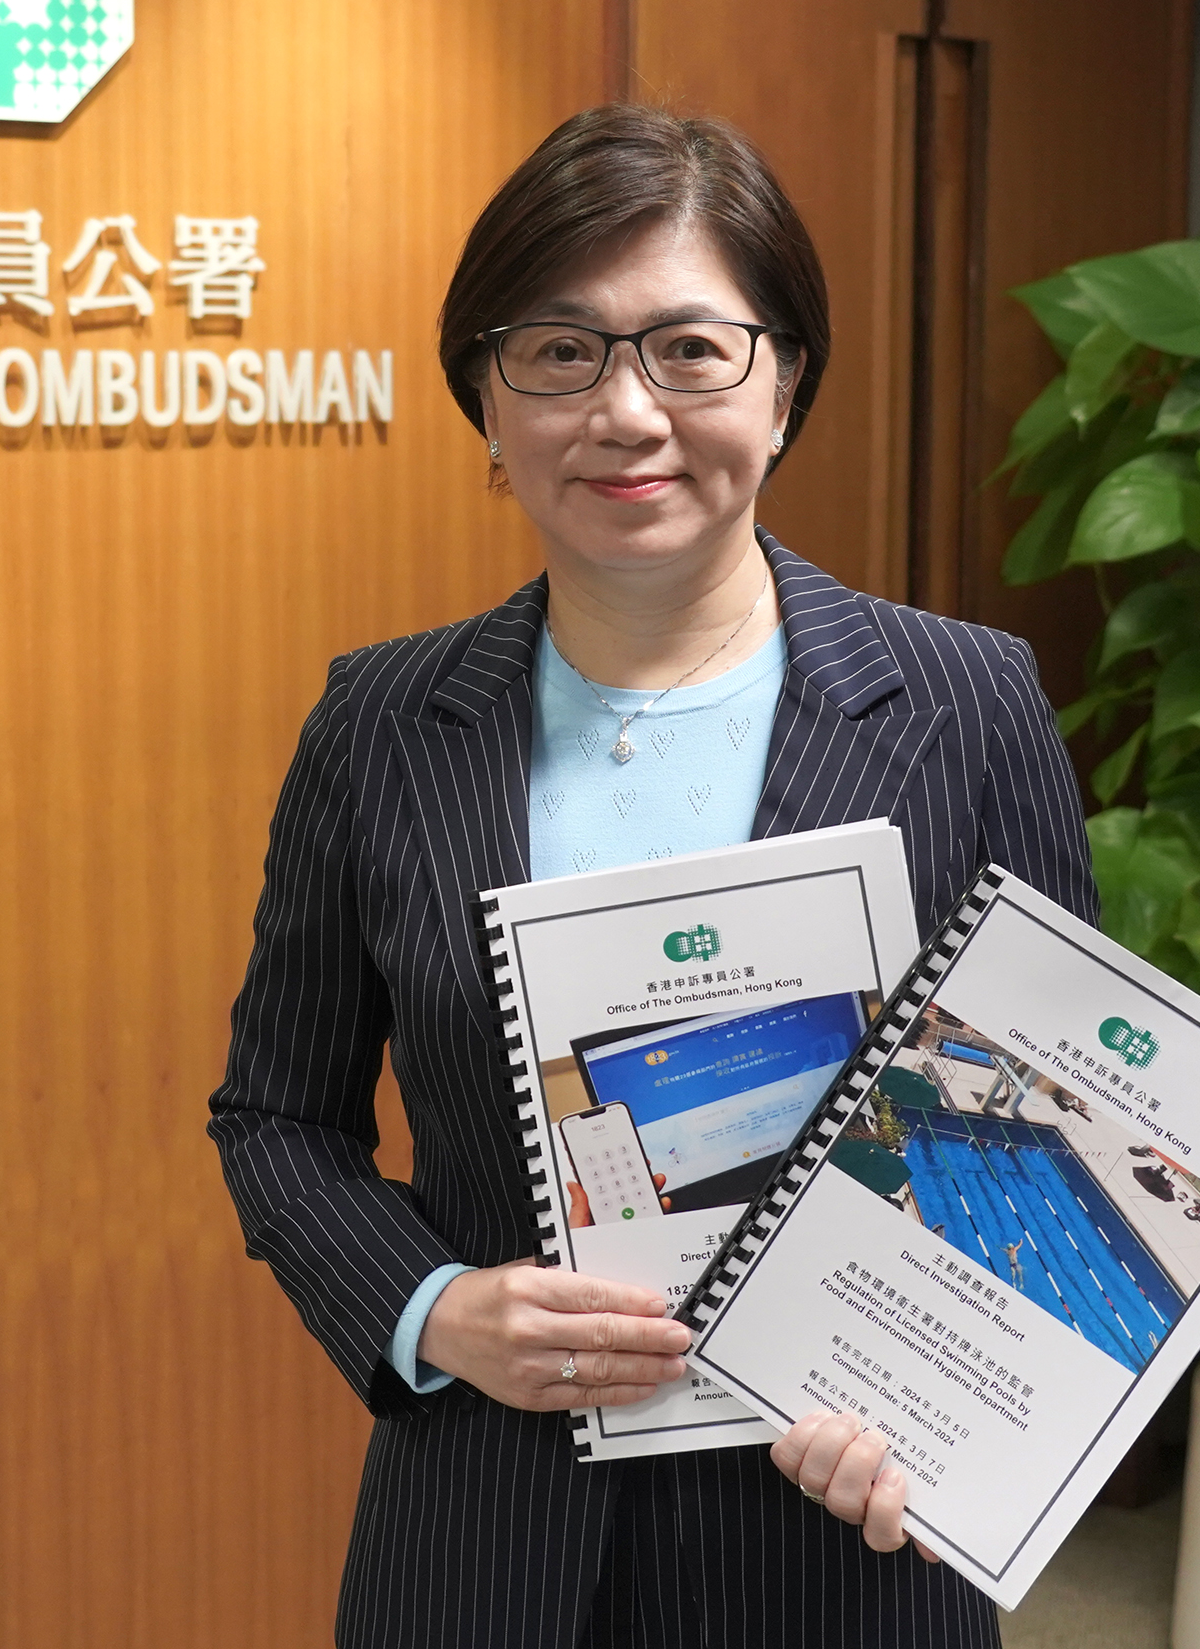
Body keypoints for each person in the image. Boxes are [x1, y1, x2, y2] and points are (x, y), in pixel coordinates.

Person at [208, 107, 1097, 1648]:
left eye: (690, 349)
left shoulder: (968, 701)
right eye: (559, 352)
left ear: (786, 379)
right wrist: (434, 1310)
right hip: (490, 1531)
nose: (625, 412)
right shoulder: (380, 722)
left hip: (846, 1540)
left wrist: (954, 1402)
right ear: (487, 400)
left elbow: (1060, 1118)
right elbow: (277, 1115)